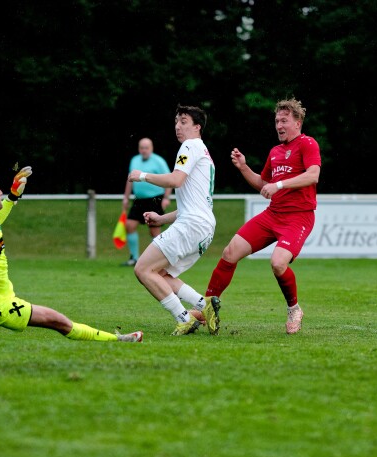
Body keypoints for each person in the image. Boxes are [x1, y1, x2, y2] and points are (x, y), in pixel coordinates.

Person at [0, 167, 143, 343]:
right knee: (59, 321)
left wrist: (13, 195)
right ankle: (118, 340)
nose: (0, 191)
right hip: (0, 305)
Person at [202, 98, 322, 335]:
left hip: (298, 217)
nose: (279, 125)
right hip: (273, 215)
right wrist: (244, 167)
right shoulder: (275, 152)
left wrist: (279, 186)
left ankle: (294, 309)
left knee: (278, 263)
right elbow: (263, 184)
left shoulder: (307, 144)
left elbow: (313, 176)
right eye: (277, 120)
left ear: (297, 123)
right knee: (230, 252)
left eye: (284, 120)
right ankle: (207, 307)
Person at [127, 105, 217, 336]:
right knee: (162, 274)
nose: (178, 126)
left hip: (193, 225)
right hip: (203, 227)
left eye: (184, 121)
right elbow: (191, 205)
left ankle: (184, 318)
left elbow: (175, 180)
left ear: (197, 127)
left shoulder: (190, 145)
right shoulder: (204, 153)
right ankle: (203, 305)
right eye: (176, 121)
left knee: (143, 269)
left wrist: (142, 175)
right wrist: (161, 218)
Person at [121, 138, 172, 266]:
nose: (144, 150)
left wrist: (166, 198)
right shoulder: (134, 160)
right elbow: (130, 179)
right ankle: (134, 258)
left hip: (155, 199)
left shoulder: (158, 161)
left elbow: (169, 179)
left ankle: (157, 260)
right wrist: (126, 197)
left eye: (146, 147)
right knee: (130, 225)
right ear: (139, 149)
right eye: (141, 147)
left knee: (154, 230)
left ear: (151, 148)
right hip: (139, 200)